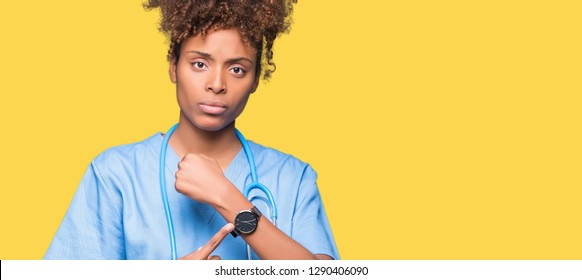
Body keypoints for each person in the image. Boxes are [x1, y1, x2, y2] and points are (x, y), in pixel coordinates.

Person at [44, 0, 339, 260]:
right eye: (199, 64)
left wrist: (227, 197)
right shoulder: (114, 175)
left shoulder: (293, 178)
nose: (217, 83)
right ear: (173, 66)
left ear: (255, 80)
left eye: (237, 69)